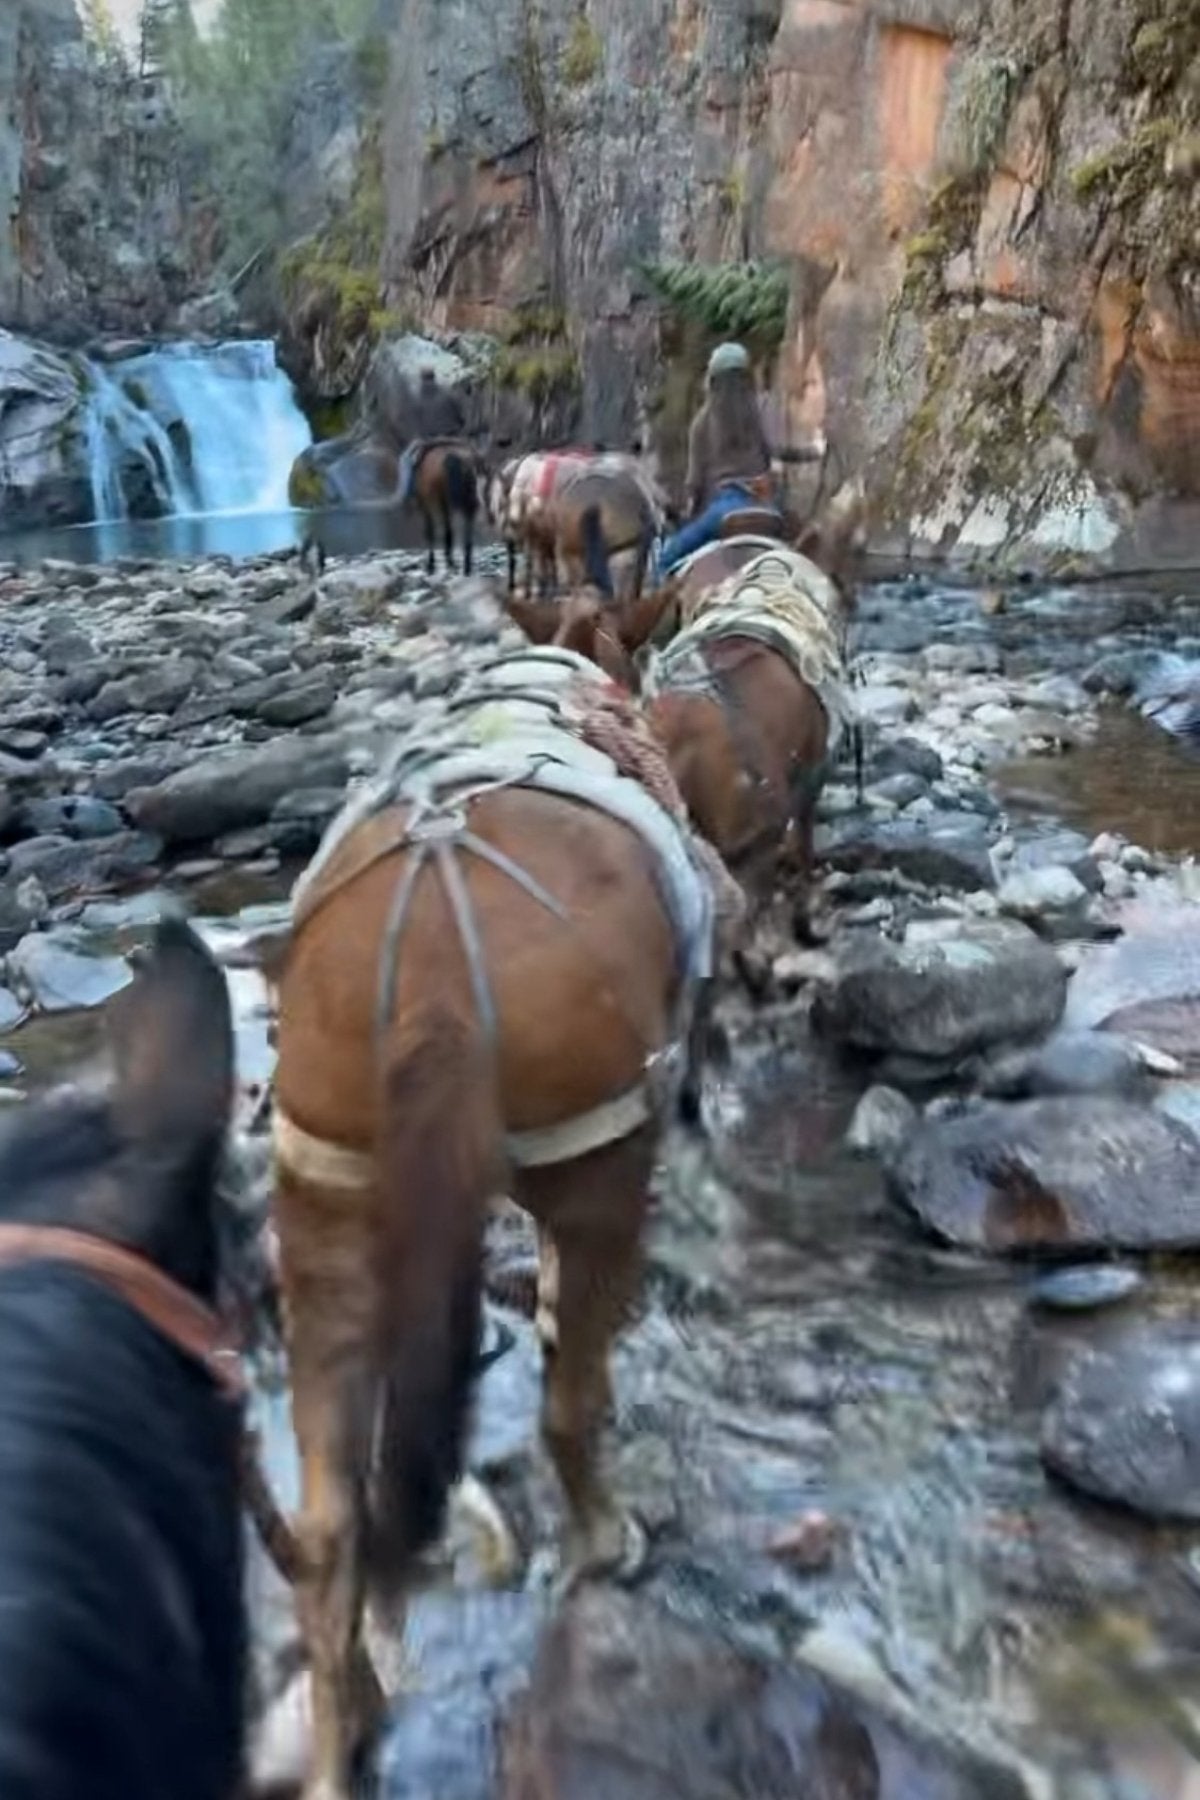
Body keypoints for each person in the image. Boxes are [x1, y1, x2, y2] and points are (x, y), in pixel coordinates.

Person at [655, 341, 781, 576]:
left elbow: (694, 484)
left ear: (712, 379)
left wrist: (687, 513)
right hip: (766, 508)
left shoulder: (703, 421)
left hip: (722, 509)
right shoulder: (763, 408)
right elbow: (776, 454)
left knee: (665, 558)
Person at [398, 365, 468, 501]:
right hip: (452, 438)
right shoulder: (449, 394)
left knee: (405, 461)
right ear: (434, 377)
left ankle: (408, 493)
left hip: (427, 441)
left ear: (421, 378)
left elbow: (413, 422)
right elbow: (461, 418)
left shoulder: (416, 398)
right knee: (477, 459)